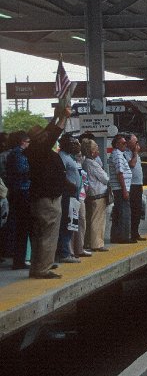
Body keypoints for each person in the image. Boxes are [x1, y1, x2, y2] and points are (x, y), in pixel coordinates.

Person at [26, 105, 71, 279]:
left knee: (38, 236)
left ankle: (36, 267)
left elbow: (48, 134)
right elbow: (52, 135)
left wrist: (56, 117)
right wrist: (63, 118)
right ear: (40, 140)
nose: (46, 136)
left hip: (39, 198)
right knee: (48, 235)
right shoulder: (40, 151)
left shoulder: (33, 151)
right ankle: (43, 269)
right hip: (48, 200)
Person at [6, 131, 31, 270]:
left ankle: (20, 259)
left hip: (17, 192)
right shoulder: (18, 154)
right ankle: (20, 260)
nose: (29, 144)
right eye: (28, 142)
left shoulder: (12, 154)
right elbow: (23, 170)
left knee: (20, 227)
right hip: (22, 191)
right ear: (22, 141)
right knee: (23, 227)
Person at [81, 139, 110, 252]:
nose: (98, 150)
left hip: (90, 194)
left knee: (90, 219)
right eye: (96, 148)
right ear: (92, 151)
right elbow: (105, 178)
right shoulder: (92, 163)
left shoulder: (85, 162)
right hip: (98, 194)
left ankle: (88, 242)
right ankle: (97, 244)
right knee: (97, 220)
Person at [57, 134, 80, 264]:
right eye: (71, 143)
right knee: (67, 223)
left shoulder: (69, 156)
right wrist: (71, 185)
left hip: (72, 194)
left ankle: (67, 251)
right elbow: (61, 175)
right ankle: (64, 253)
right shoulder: (62, 157)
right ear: (64, 144)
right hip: (68, 194)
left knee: (71, 223)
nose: (73, 145)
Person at [109, 133, 134, 244]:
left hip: (119, 188)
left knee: (118, 212)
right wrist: (124, 190)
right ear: (117, 144)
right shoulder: (118, 155)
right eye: (124, 143)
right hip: (120, 188)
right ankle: (124, 237)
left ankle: (116, 236)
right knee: (124, 212)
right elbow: (120, 173)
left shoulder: (118, 153)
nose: (126, 145)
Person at [70, 139, 92, 258]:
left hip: (81, 195)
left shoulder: (79, 162)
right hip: (74, 196)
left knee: (81, 221)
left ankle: (79, 247)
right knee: (73, 223)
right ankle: (72, 250)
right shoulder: (70, 161)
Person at [125, 134, 146, 241]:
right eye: (135, 142)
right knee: (133, 210)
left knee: (138, 209)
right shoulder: (126, 154)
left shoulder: (135, 154)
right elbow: (132, 165)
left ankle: (136, 232)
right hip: (131, 186)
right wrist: (135, 153)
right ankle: (131, 234)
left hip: (138, 185)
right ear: (128, 143)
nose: (137, 144)